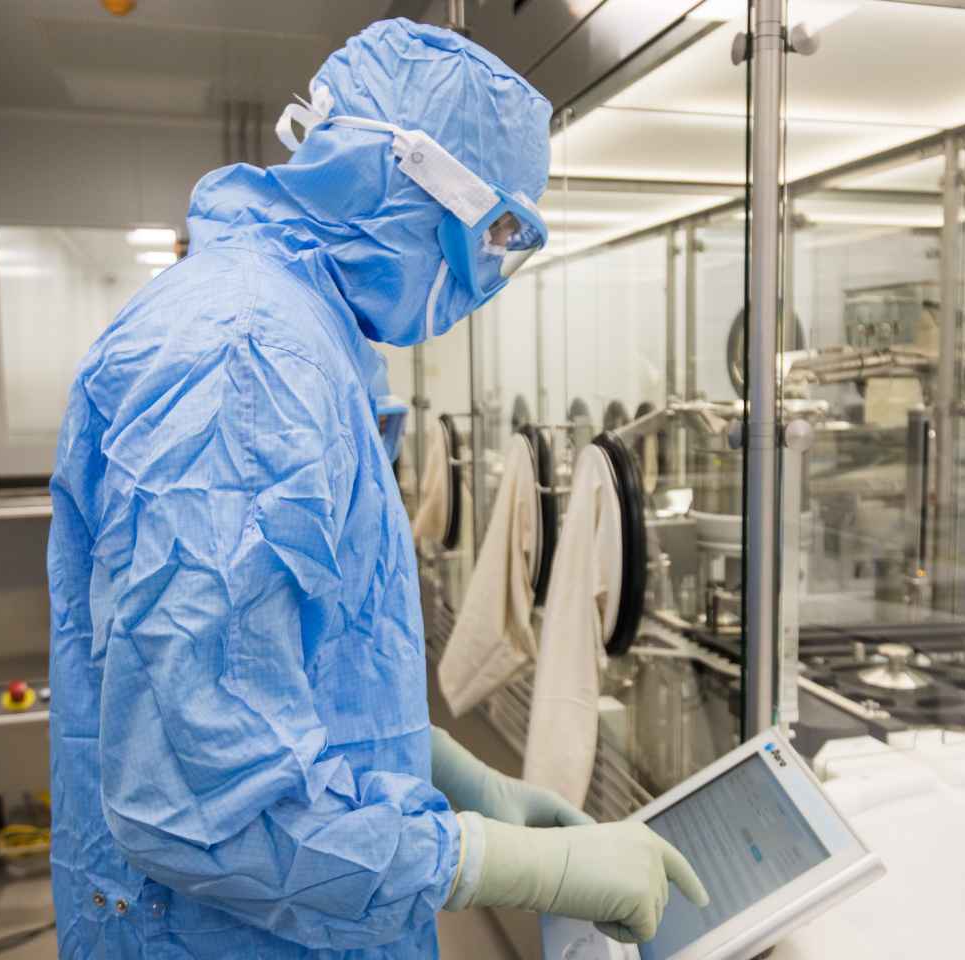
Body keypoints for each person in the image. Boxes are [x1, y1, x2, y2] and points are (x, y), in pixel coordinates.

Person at [46, 18, 706, 960]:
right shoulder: (241, 358)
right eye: (495, 233)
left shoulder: (300, 336)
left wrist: (457, 773)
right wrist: (519, 867)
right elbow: (202, 803)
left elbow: (283, 668)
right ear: (405, 178)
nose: (488, 277)